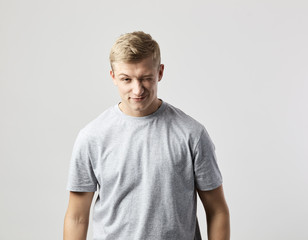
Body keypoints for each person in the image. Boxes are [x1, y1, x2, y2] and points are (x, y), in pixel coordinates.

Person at [63, 31, 230, 240]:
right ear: (113, 76)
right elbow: (77, 216)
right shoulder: (92, 137)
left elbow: (217, 210)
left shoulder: (192, 134)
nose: (137, 89)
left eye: (146, 78)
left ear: (160, 72)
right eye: (127, 79)